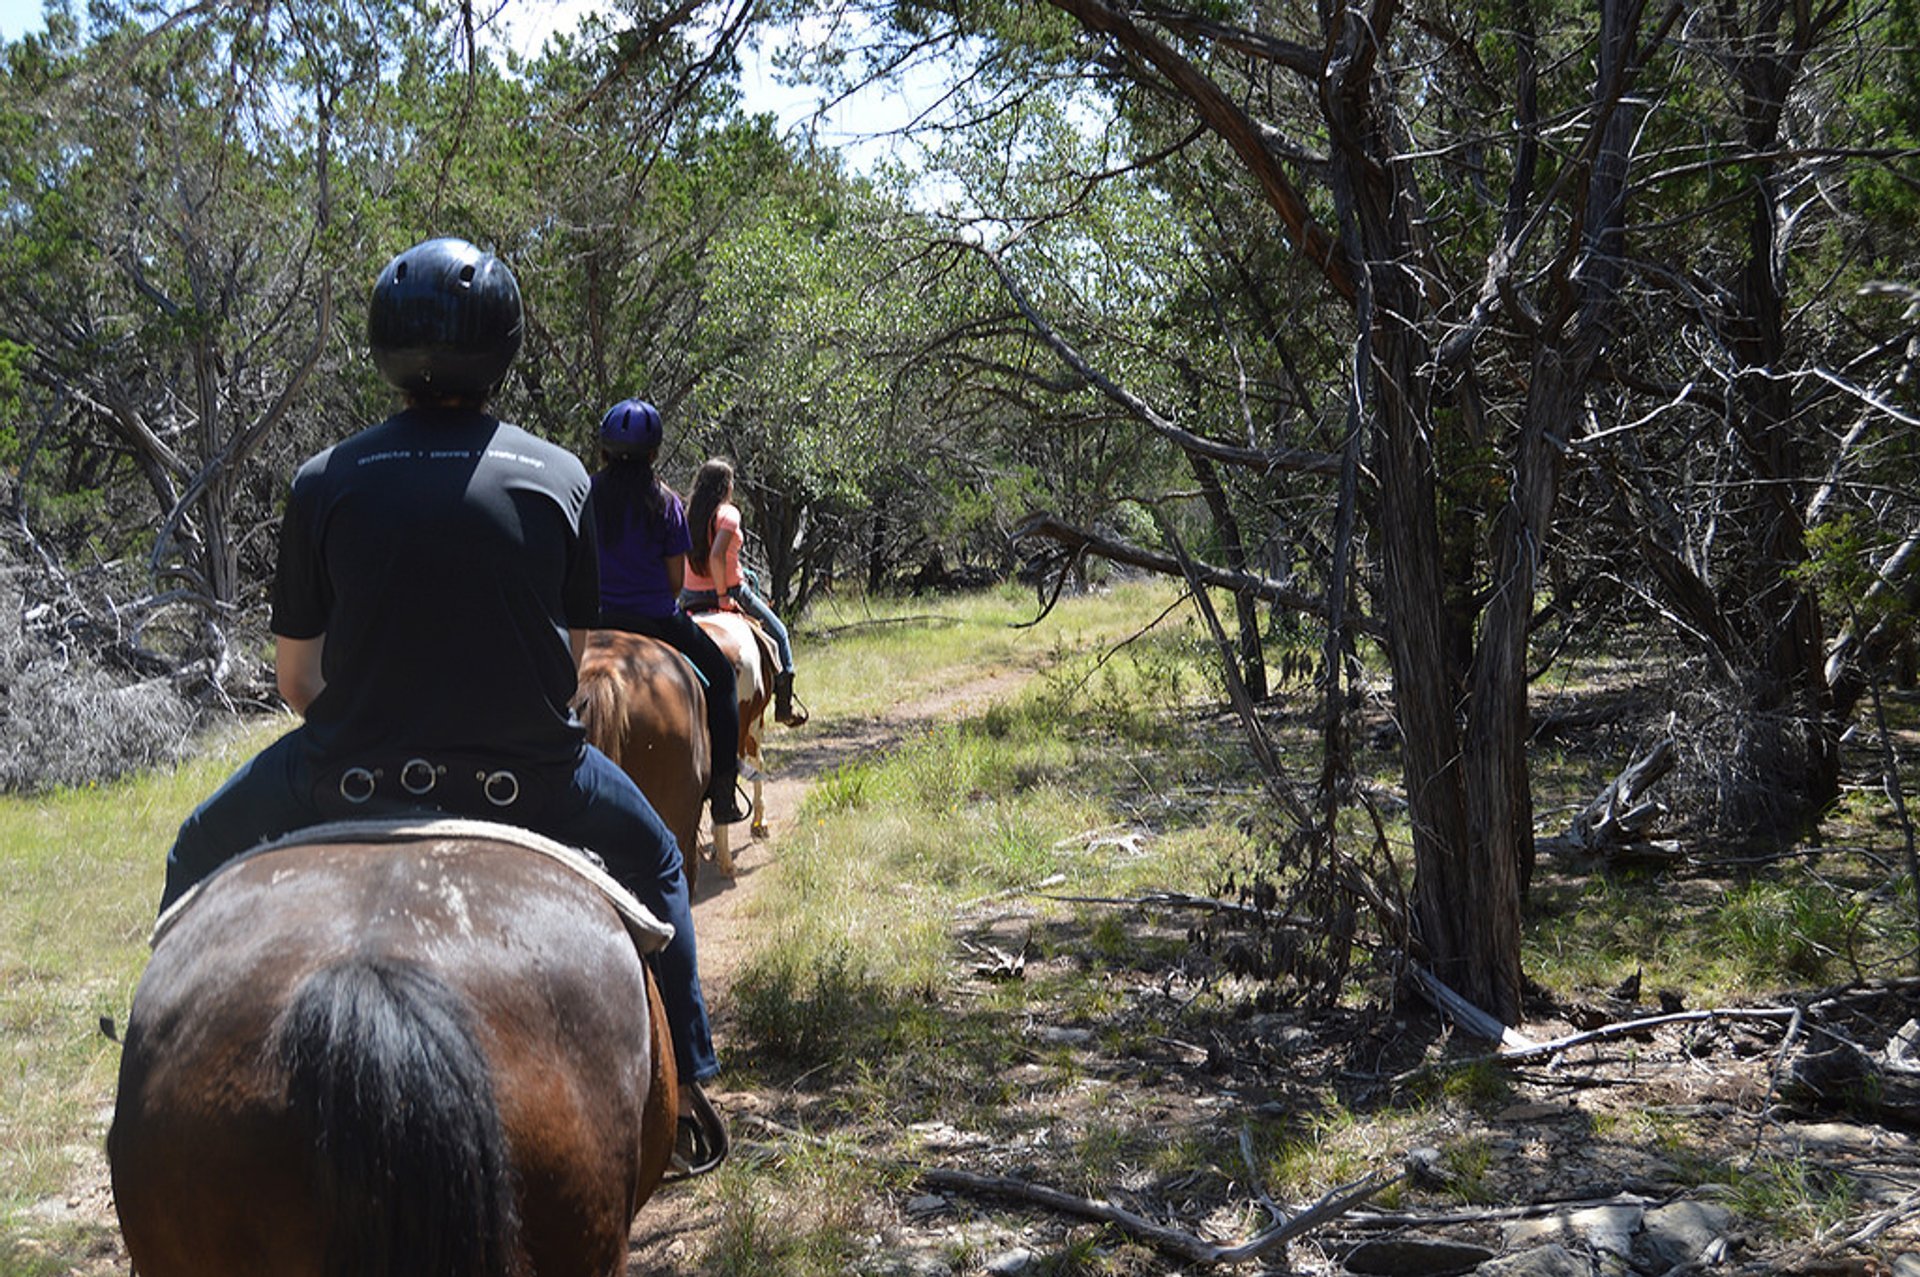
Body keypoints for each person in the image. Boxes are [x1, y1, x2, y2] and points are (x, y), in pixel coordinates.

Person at [157, 236, 727, 1177]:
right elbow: (572, 662)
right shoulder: (560, 476)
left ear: (386, 350)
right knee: (661, 859)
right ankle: (694, 1085)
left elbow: (297, 680)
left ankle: (156, 1072)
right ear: (501, 350)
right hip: (535, 781)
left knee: (194, 849)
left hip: (344, 772)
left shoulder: (323, 479)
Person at [591, 398, 752, 827]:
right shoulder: (664, 502)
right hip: (655, 618)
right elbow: (676, 583)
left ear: (604, 450)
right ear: (653, 453)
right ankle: (722, 791)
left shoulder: (585, 492)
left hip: (595, 618)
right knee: (719, 677)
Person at [681, 457, 808, 726]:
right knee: (780, 634)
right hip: (730, 590)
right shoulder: (728, 514)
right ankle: (784, 707)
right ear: (725, 487)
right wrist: (722, 595)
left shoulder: (687, 513)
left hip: (689, 595)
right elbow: (717, 556)